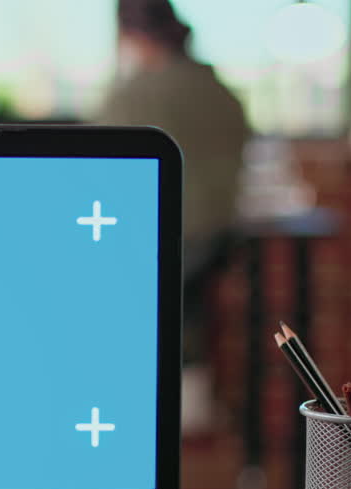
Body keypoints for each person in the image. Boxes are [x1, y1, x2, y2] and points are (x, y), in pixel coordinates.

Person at [96, 0, 249, 430]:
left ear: (133, 36)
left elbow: (96, 164)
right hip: (219, 239)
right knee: (186, 307)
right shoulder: (222, 91)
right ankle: (191, 403)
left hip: (160, 242)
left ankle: (138, 402)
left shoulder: (133, 94)